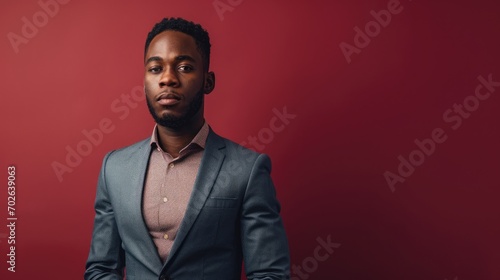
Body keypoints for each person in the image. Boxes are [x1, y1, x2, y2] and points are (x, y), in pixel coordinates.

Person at [84, 17, 290, 280]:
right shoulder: (114, 168)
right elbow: (100, 269)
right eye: (155, 68)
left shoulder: (247, 170)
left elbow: (269, 274)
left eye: (184, 67)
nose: (168, 78)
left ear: (208, 81)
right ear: (145, 80)